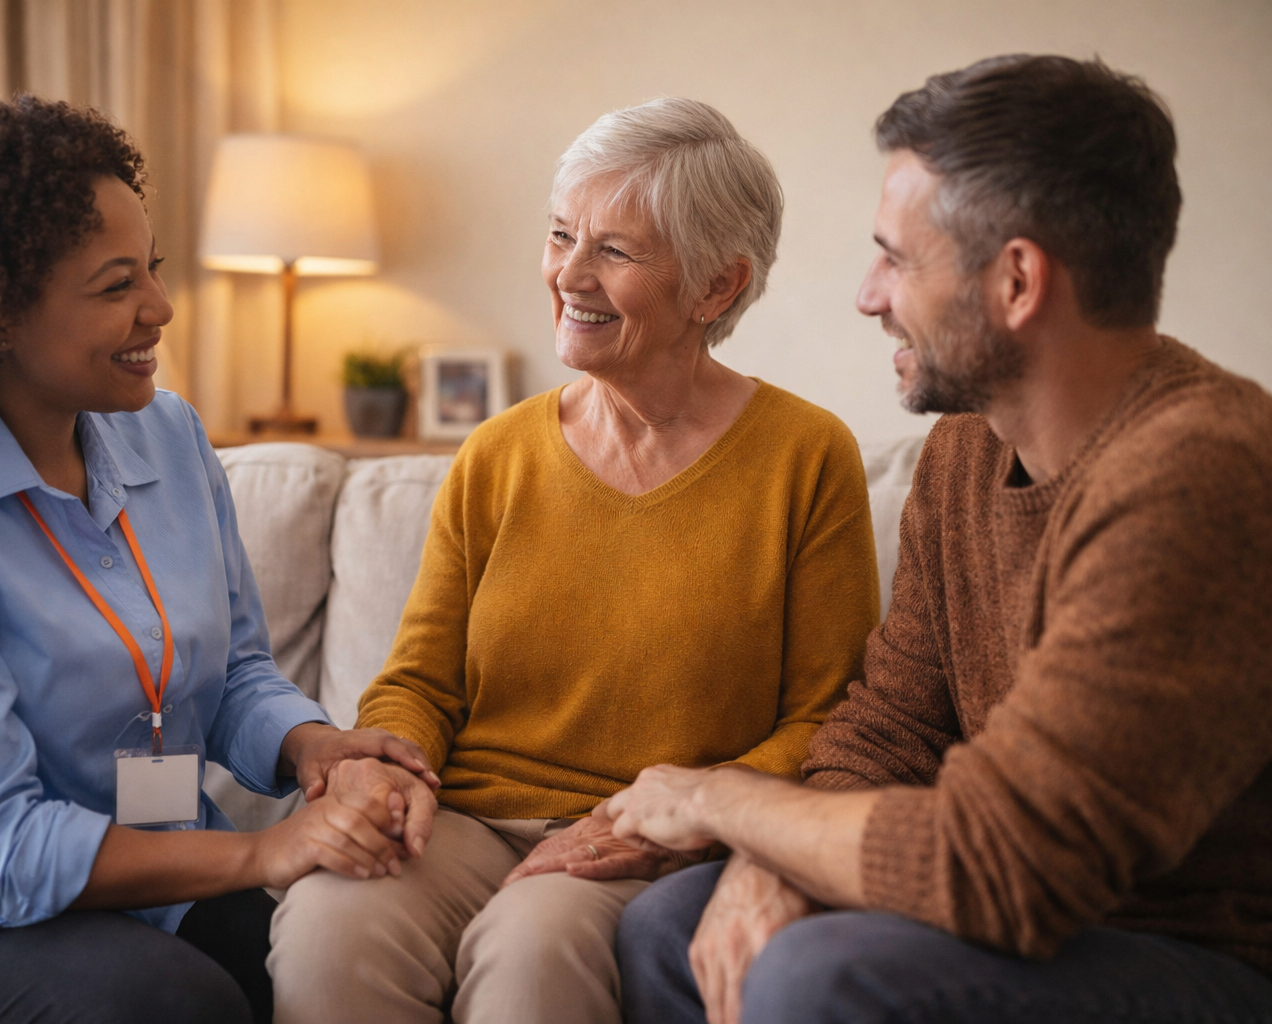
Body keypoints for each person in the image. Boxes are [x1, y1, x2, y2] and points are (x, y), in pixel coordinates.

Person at [609, 54, 1272, 1024]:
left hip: (1196, 950)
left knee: (815, 973)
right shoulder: (966, 449)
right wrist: (774, 858)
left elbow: (1013, 861)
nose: (868, 295)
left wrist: (724, 803)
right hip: (1009, 901)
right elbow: (894, 725)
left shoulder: (1199, 474)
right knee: (668, 925)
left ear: (1017, 281)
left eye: (897, 258)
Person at [0, 96, 438, 1024]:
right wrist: (265, 852)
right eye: (117, 284)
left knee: (342, 959)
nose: (160, 309)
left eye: (152, 268)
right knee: (174, 1005)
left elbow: (236, 673)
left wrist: (315, 749)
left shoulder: (167, 434)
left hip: (140, 868)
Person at [267, 98, 881, 1024]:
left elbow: (826, 717)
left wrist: (686, 811)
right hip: (462, 820)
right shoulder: (497, 453)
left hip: (645, 835)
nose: (569, 274)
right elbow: (419, 682)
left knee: (532, 953)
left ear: (717, 288)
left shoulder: (805, 456)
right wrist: (383, 767)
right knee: (328, 926)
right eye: (561, 235)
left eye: (615, 251)